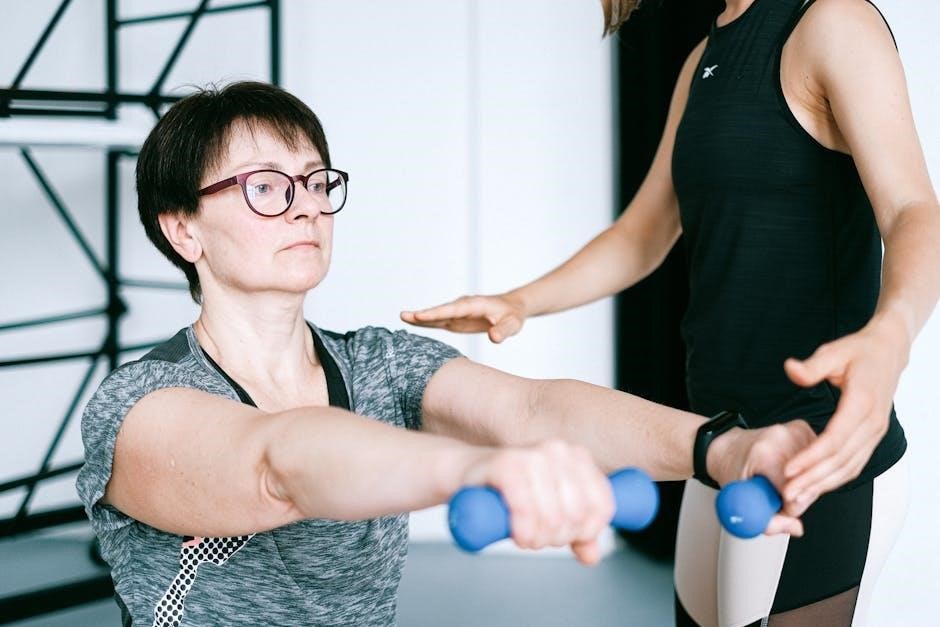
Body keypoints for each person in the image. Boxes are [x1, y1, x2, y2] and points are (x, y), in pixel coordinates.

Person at [76, 81, 814, 626]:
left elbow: (532, 410)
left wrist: (721, 446)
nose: (306, 205)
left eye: (315, 181)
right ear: (183, 230)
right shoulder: (138, 406)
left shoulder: (379, 366)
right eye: (266, 187)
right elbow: (280, 463)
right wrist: (478, 469)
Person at [402, 0, 940, 625]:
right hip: (720, 439)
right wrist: (520, 302)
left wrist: (892, 335)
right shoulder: (701, 60)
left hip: (817, 449)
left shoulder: (832, 22)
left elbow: (913, 210)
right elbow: (644, 234)